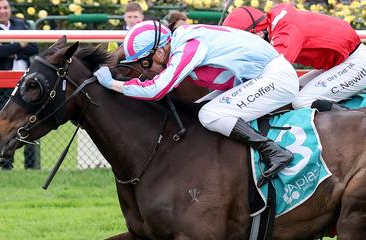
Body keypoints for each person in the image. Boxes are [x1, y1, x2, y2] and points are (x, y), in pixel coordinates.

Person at [93, 21, 299, 185]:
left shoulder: (187, 48)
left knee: (210, 114)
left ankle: (274, 152)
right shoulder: (183, 39)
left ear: (159, 51)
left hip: (275, 78)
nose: (146, 70)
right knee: (201, 108)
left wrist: (113, 84)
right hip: (261, 77)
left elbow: (156, 89)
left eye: (145, 63)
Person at [223, 4, 366, 111]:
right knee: (292, 94)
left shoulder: (285, 34)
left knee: (301, 101)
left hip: (356, 64)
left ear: (257, 33)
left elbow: (272, 73)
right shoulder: (273, 21)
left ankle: (359, 126)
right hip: (342, 63)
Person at [0, 0, 40, 170]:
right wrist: (19, 45)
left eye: (5, 7)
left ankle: (31, 164)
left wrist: (11, 48)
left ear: (10, 9)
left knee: (30, 122)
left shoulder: (20, 25)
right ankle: (6, 163)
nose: (2, 11)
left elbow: (34, 48)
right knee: (5, 124)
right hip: (2, 85)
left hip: (25, 85)